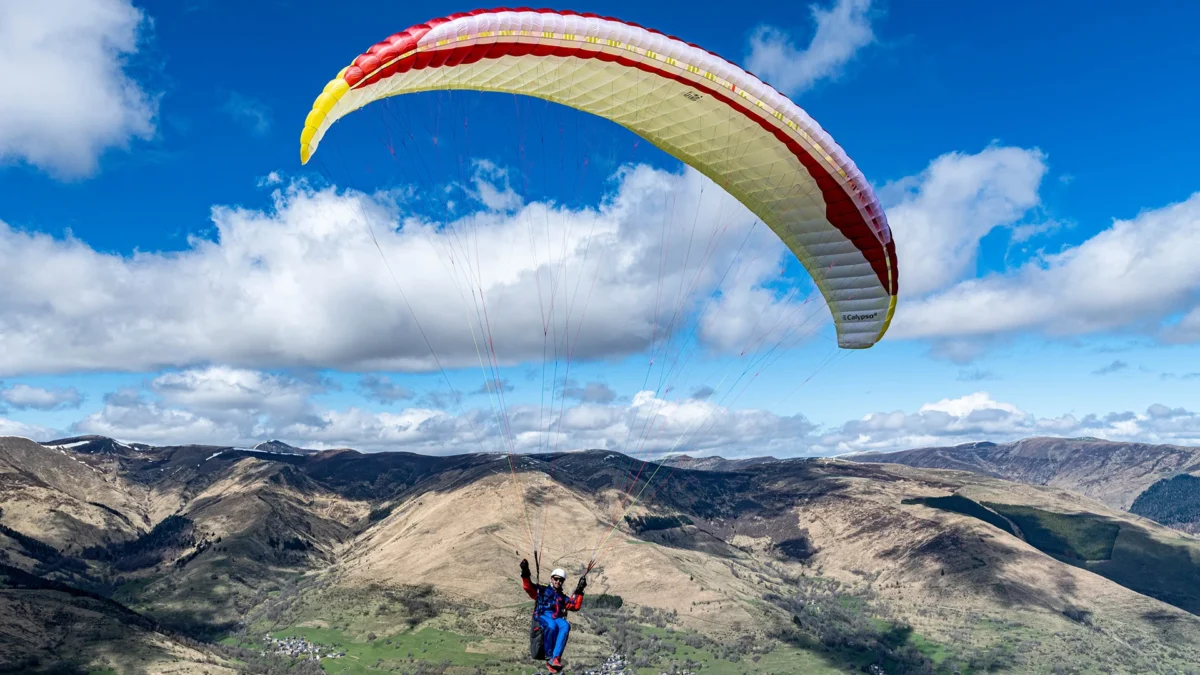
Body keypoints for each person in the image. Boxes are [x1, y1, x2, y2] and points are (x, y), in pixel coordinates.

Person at [520, 558, 586, 673]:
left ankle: (556, 658)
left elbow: (574, 606)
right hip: (542, 615)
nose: (558, 582)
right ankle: (549, 657)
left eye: (561, 580)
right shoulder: (542, 590)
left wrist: (580, 590)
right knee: (552, 625)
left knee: (565, 625)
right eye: (556, 579)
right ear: (551, 579)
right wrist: (525, 571)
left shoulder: (562, 597)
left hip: (555, 617)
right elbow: (528, 587)